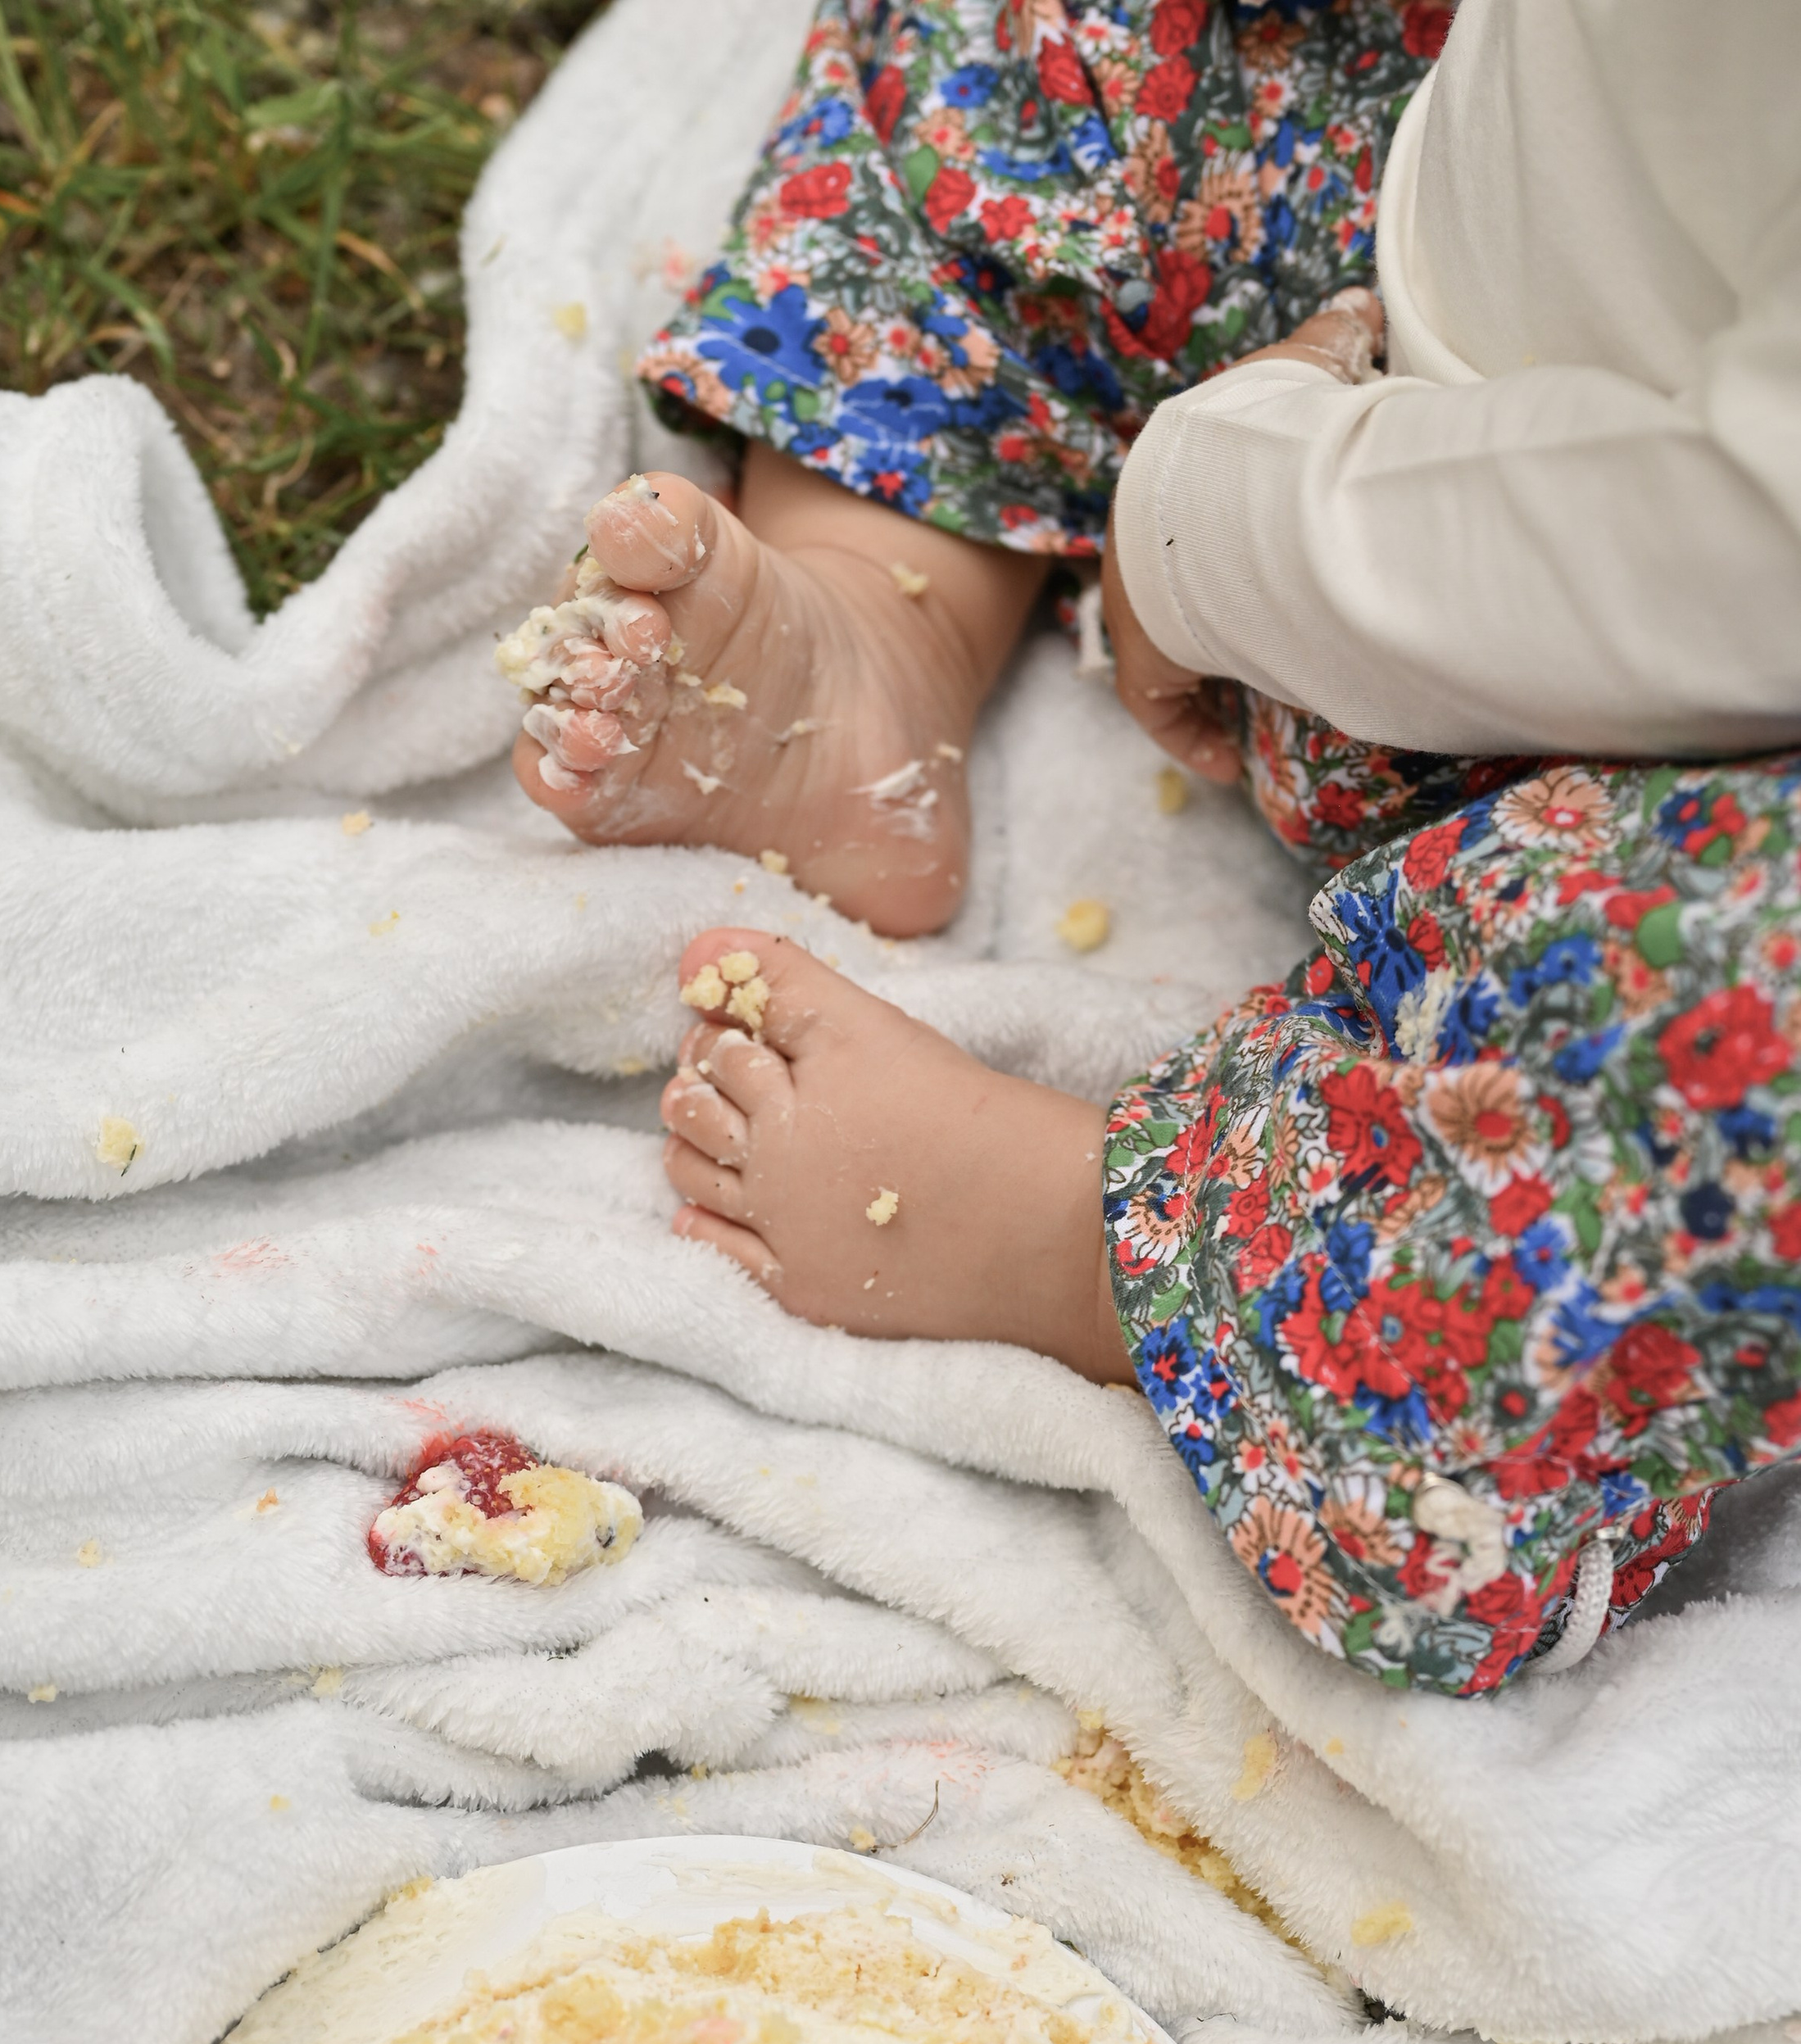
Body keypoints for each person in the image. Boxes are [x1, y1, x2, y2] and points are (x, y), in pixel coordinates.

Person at [503, 0, 1801, 1697]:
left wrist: (1205, 526)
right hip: (1417, 321)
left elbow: (1731, 545)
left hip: (1668, 823)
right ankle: (886, 616)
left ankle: (1129, 1250)